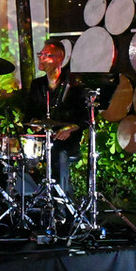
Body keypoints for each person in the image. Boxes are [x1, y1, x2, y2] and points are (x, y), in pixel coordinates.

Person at [24, 40, 86, 196]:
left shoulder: (74, 85)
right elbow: (29, 114)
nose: (41, 58)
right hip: (42, 138)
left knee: (58, 153)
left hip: (66, 140)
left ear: (59, 58)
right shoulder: (37, 85)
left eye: (46, 55)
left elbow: (85, 116)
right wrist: (34, 124)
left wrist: (71, 128)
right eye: (41, 54)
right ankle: (30, 200)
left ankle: (60, 205)